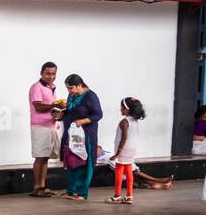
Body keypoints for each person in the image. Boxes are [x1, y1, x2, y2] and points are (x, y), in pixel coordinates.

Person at [55, 73, 102, 202]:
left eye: (71, 88)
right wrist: (60, 115)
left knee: (84, 162)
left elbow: (98, 115)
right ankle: (71, 191)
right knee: (71, 161)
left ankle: (82, 192)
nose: (69, 91)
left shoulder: (91, 97)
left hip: (85, 135)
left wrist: (82, 121)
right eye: (68, 89)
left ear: (80, 85)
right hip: (71, 134)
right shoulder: (71, 95)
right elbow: (70, 112)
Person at [28, 62, 64, 196]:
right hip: (40, 126)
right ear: (41, 73)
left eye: (53, 74)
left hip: (50, 125)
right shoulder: (36, 87)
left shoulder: (51, 87)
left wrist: (58, 111)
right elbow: (38, 107)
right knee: (40, 157)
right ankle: (37, 187)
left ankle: (41, 187)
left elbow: (49, 107)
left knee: (45, 157)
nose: (51, 76)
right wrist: (54, 104)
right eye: (48, 73)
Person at [107, 97, 145, 204]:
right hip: (132, 149)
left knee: (119, 172)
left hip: (123, 150)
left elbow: (123, 138)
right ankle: (129, 196)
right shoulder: (135, 120)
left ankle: (117, 195)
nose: (120, 110)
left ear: (127, 109)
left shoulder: (124, 121)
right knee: (129, 172)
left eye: (122, 108)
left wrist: (117, 153)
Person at [94, 145, 173, 190]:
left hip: (118, 158)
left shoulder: (103, 151)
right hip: (114, 161)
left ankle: (156, 183)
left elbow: (99, 147)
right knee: (133, 173)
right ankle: (158, 181)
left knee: (134, 171)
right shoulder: (98, 156)